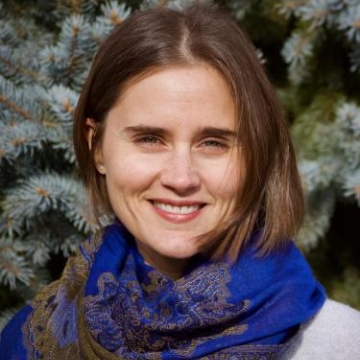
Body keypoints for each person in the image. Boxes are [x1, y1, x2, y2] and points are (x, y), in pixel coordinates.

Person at [1, 4, 359, 359]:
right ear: (97, 147)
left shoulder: (338, 346)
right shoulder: (32, 336)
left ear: (257, 156)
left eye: (213, 143)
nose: (181, 177)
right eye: (150, 139)